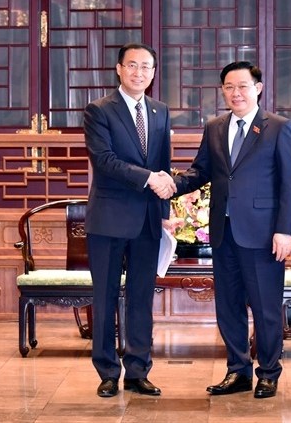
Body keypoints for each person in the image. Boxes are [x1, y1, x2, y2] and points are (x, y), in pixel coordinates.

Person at [170, 61, 291, 399]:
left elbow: (290, 184)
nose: (236, 93)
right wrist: (170, 184)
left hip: (263, 234)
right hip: (224, 232)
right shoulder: (215, 127)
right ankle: (238, 370)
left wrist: (285, 230)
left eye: (242, 86)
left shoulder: (278, 127)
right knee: (227, 306)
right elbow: (201, 171)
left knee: (265, 307)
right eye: (229, 87)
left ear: (258, 88)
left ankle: (269, 372)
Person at [83, 42, 177, 398]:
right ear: (119, 69)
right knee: (105, 298)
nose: (139, 73)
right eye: (133, 65)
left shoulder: (160, 111)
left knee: (141, 299)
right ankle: (107, 371)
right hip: (108, 219)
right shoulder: (99, 110)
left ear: (153, 74)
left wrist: (166, 213)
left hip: (149, 220)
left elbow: (164, 163)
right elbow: (103, 160)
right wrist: (146, 178)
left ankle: (138, 371)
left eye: (146, 67)